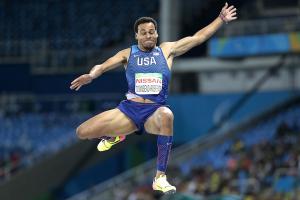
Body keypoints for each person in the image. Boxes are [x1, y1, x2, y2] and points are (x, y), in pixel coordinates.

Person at [70, 3, 237, 194]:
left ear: (157, 34)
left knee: (167, 115)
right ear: (137, 36)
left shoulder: (167, 50)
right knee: (82, 132)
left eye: (151, 32)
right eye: (143, 32)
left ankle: (160, 177)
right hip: (129, 110)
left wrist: (220, 19)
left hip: (154, 112)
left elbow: (198, 37)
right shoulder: (128, 53)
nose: (148, 35)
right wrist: (91, 76)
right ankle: (115, 136)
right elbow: (102, 66)